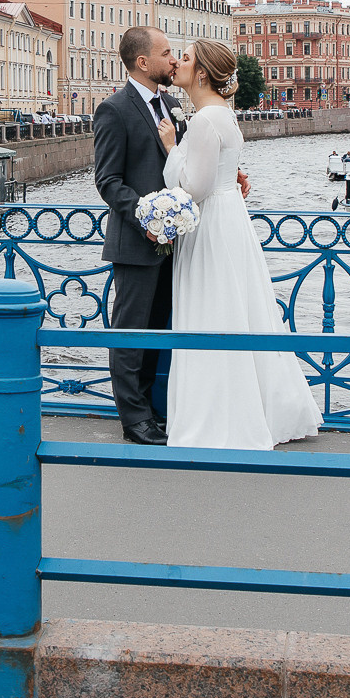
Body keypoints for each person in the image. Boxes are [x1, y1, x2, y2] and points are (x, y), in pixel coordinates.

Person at [158, 38, 320, 450]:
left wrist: (171, 151)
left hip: (211, 221)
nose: (177, 62)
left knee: (214, 309)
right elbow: (222, 173)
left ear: (202, 73)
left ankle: (220, 417)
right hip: (230, 218)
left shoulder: (203, 120)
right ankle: (265, 407)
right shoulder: (222, 115)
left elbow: (193, 187)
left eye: (186, 58)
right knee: (240, 308)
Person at [93, 26, 248, 447]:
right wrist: (147, 214)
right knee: (130, 334)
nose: (174, 60)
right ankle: (134, 419)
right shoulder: (115, 109)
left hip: (178, 243)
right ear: (143, 63)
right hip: (138, 240)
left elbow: (192, 165)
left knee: (160, 331)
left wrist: (227, 175)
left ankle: (153, 409)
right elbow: (107, 181)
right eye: (166, 54)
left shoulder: (173, 104)